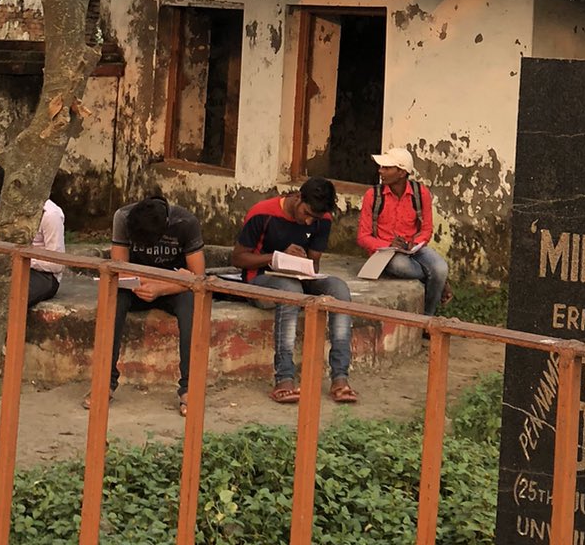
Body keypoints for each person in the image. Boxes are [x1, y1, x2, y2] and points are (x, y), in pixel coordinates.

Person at [231, 177, 357, 405]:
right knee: (291, 291)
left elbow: (314, 263)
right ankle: (284, 378)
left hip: (299, 277)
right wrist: (277, 257)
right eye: (306, 214)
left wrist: (302, 264)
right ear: (297, 198)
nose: (309, 222)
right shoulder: (262, 213)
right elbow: (238, 258)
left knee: (339, 288)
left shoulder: (323, 219)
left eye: (315, 218)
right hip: (259, 279)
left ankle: (340, 377)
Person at [105, 194, 206, 415]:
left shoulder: (186, 223)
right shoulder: (122, 217)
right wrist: (175, 278)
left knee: (192, 305)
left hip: (172, 290)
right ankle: (104, 383)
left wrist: (161, 287)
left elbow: (198, 279)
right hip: (136, 286)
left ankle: (190, 388)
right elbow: (120, 270)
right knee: (113, 298)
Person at [357, 149, 448, 316]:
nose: (380, 171)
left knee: (441, 268)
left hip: (413, 247)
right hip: (385, 252)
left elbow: (426, 228)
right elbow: (363, 237)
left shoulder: (420, 193)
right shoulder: (373, 195)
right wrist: (387, 245)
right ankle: (437, 283)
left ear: (401, 172)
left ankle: (427, 317)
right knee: (401, 266)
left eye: (386, 168)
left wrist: (417, 241)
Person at [28, 194, 67, 308]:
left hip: (44, 275)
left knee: (11, 294)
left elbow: (57, 264)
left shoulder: (50, 214)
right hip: (13, 266)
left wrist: (27, 261)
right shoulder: (11, 208)